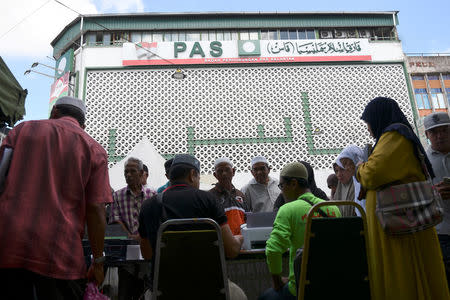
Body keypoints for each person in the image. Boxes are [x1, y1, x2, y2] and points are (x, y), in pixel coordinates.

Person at [0, 96, 112, 300]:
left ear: (54, 112)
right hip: (59, 252)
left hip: (8, 244)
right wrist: (98, 261)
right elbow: (96, 209)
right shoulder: (95, 150)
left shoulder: (21, 130)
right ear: (82, 124)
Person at [356, 97, 450, 300]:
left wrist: (359, 169)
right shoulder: (393, 137)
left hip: (402, 226)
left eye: (369, 122)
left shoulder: (394, 135)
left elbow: (373, 173)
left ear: (378, 117)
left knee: (404, 276)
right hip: (400, 222)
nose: (369, 129)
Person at [138, 154, 247, 300]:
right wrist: (239, 238)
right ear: (192, 175)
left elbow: (147, 254)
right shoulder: (209, 200)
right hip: (211, 288)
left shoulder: (148, 205)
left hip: (163, 290)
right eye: (199, 177)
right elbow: (232, 250)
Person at [260, 162, 341, 300]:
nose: (281, 191)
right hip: (331, 286)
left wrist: (277, 282)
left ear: (293, 184)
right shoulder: (333, 208)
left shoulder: (287, 210)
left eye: (282, 186)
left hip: (300, 289)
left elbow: (273, 250)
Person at [110, 157, 156, 300]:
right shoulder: (117, 195)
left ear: (142, 173)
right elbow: (115, 219)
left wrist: (142, 236)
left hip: (147, 248)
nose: (128, 175)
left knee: (147, 290)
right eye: (126, 172)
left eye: (132, 171)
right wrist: (130, 235)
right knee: (125, 289)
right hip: (126, 250)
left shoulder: (152, 195)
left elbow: (155, 221)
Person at [423, 112, 450, 286]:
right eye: (434, 132)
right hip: (441, 233)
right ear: (426, 135)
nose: (439, 136)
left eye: (444, 130)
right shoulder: (422, 162)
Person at [209, 157, 250, 235]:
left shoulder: (240, 194)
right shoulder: (210, 196)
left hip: (243, 241)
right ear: (215, 175)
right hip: (221, 242)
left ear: (233, 171)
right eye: (220, 171)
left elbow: (247, 219)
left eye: (227, 170)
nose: (224, 173)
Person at [334, 145, 365, 216]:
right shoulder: (340, 186)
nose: (347, 168)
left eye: (342, 169)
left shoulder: (362, 179)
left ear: (355, 161)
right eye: (344, 165)